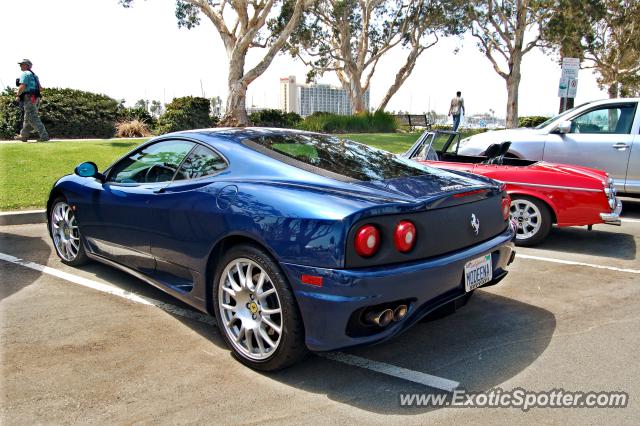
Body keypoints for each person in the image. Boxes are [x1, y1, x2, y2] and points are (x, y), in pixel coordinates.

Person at [15, 59, 49, 142]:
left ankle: (44, 135)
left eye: (22, 64)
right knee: (28, 117)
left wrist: (17, 94)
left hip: (29, 97)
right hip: (36, 97)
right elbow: (40, 88)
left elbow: (22, 86)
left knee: (32, 117)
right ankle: (23, 136)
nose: (20, 66)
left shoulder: (24, 74)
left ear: (27, 65)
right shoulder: (34, 75)